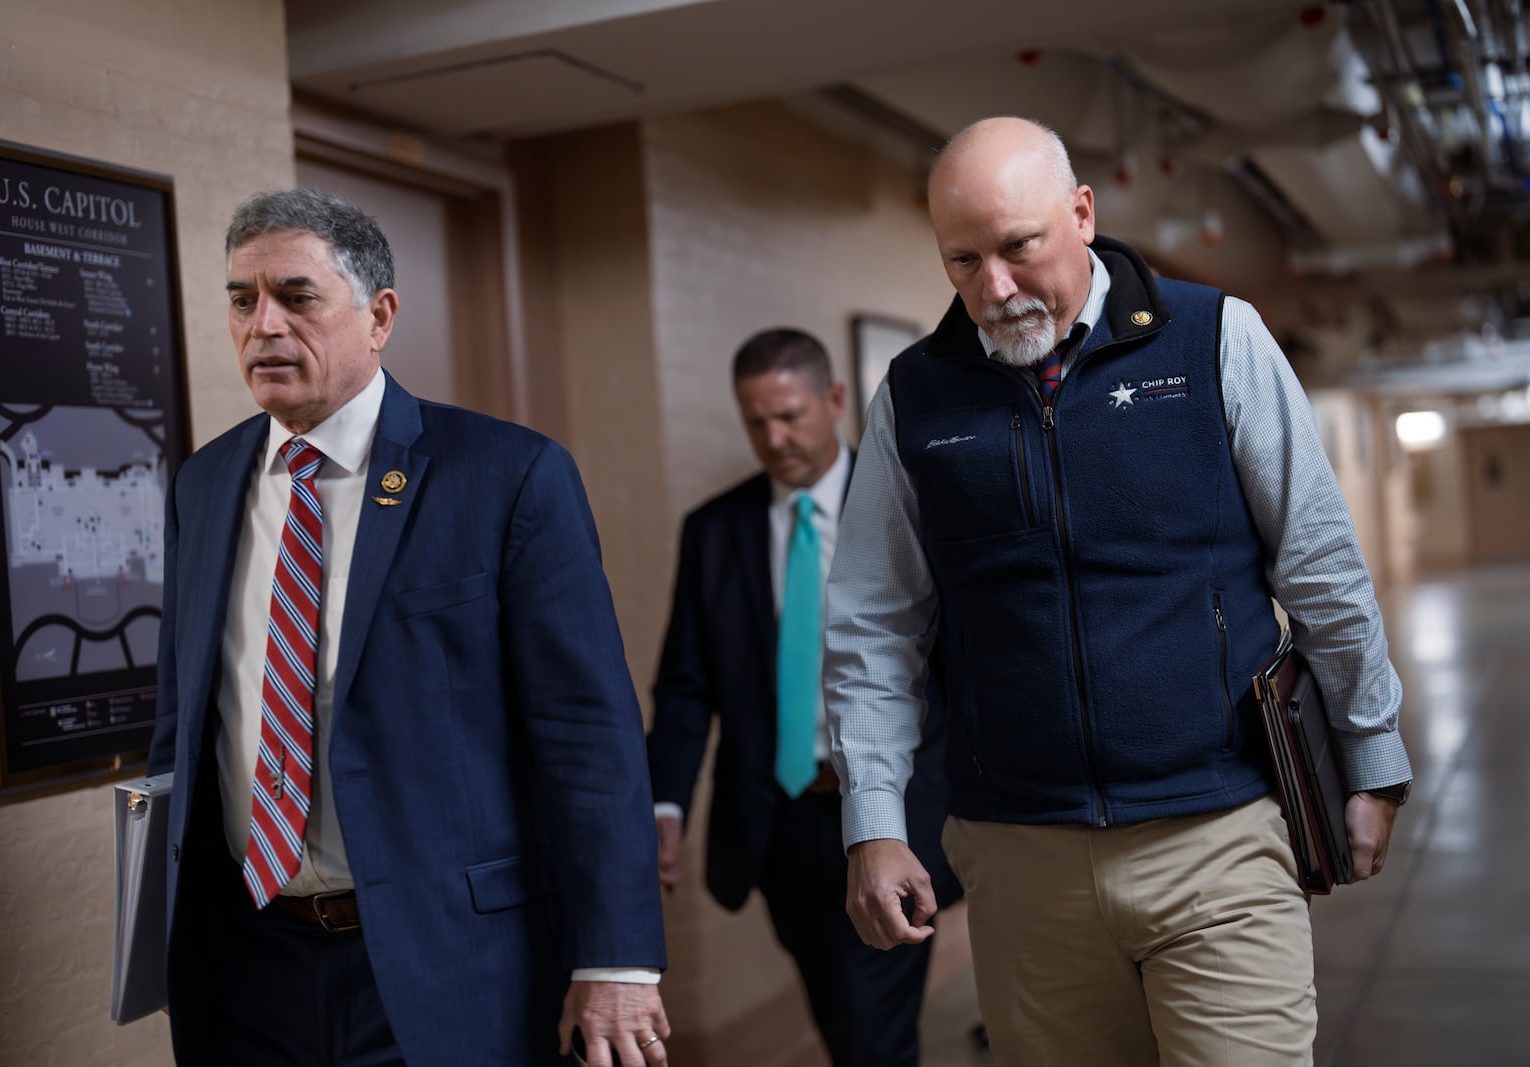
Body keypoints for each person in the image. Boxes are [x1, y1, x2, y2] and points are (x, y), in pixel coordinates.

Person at [824, 117, 1414, 1066]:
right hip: (1021, 859)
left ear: (1083, 213)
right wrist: (876, 823)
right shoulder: (917, 396)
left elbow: (1321, 563)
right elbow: (873, 629)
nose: (995, 288)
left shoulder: (1214, 338)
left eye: (1019, 247)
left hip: (1217, 831)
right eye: (962, 260)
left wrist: (1372, 754)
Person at [148, 188, 669, 1067]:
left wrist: (617, 957)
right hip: (248, 959)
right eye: (242, 299)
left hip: (438, 962)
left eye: (296, 296)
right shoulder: (204, 485)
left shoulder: (506, 474)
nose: (263, 325)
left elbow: (588, 733)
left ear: (380, 314)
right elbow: (184, 718)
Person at [646, 328, 958, 1066]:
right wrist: (666, 804)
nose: (774, 437)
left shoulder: (908, 507)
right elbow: (687, 686)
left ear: (835, 400)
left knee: (866, 1023)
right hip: (777, 820)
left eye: (789, 415)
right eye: (756, 420)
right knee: (841, 1007)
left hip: (892, 812)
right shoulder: (715, 531)